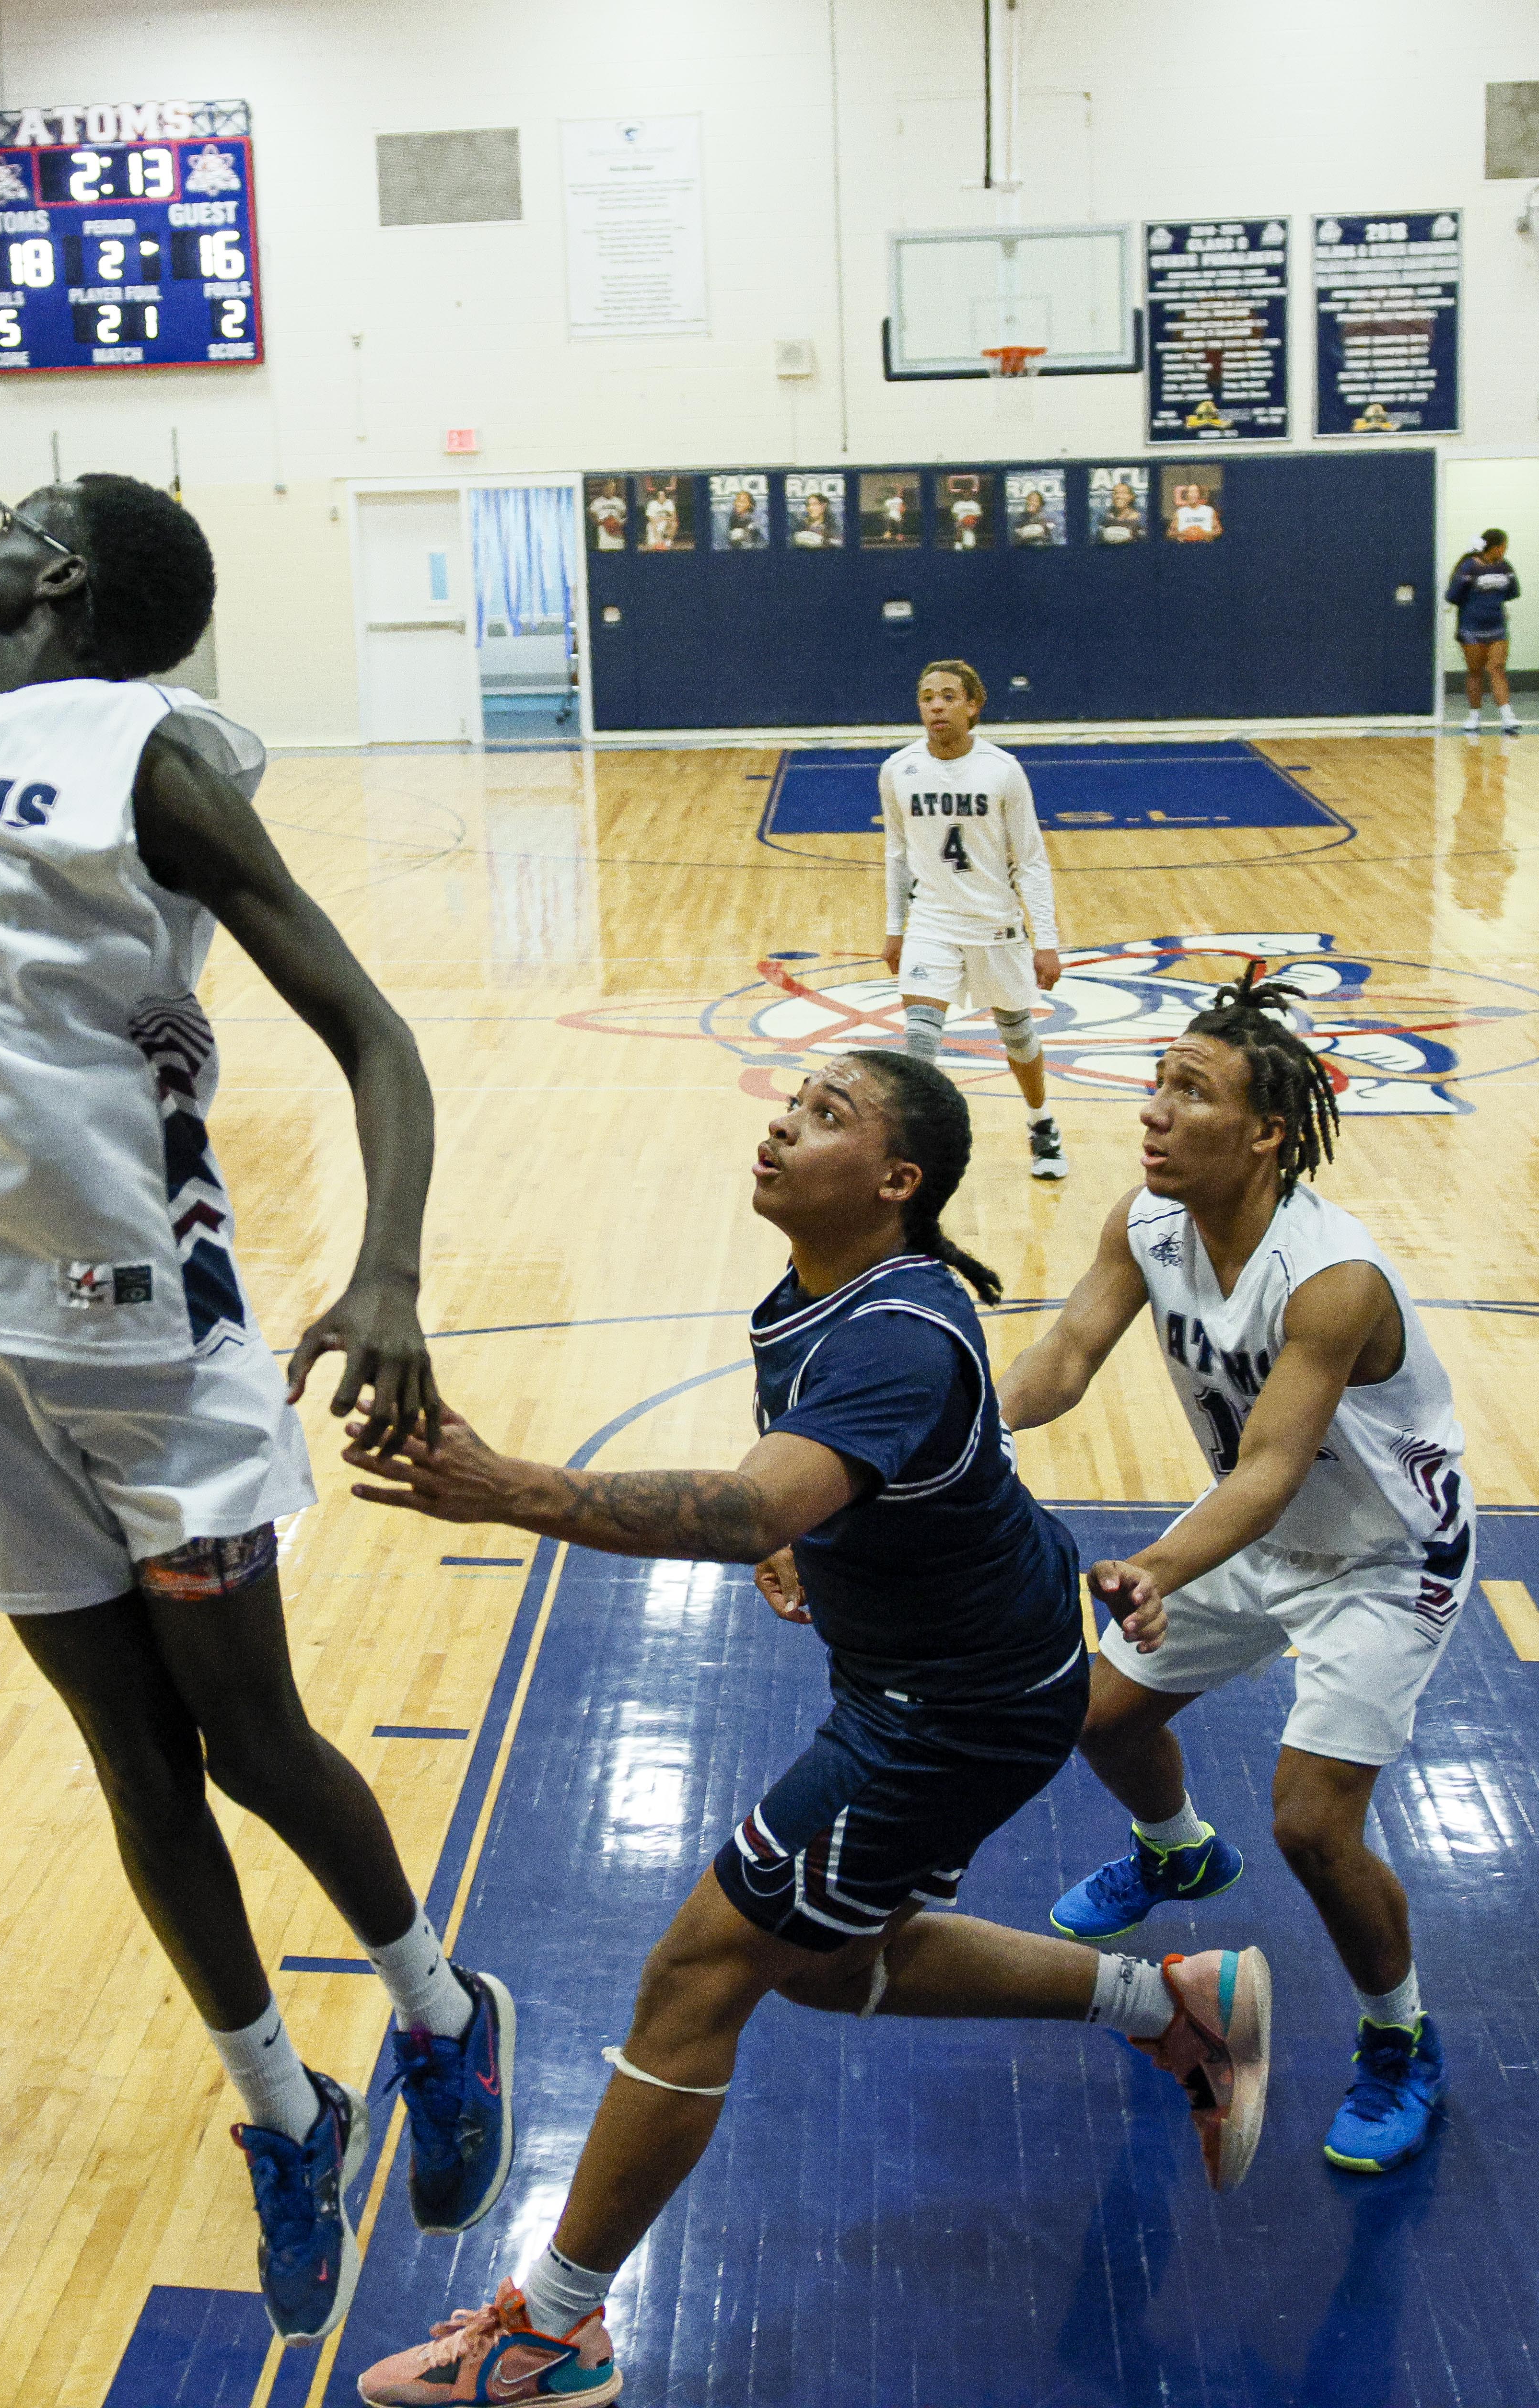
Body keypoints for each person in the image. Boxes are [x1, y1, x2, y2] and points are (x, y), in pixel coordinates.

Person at [0, 227, 516, 2347]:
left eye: (11, 525)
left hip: (149, 1342)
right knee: (131, 1775)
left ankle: (435, 2003)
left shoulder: (155, 758)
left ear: (63, 583)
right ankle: (278, 2110)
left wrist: (391, 1269)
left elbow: (376, 1031)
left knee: (247, 1741)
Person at [344, 1054, 1271, 2408]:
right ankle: (1173, 2001)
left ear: (897, 1180)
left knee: (696, 1972)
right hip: (957, 1670)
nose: (784, 1119)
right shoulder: (827, 1295)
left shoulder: (895, 1328)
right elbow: (829, 1474)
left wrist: (513, 1488)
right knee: (833, 1963)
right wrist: (818, 1532)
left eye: (829, 1113)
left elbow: (738, 1507)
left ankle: (551, 2331)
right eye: (794, 1099)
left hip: (948, 1709)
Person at [998, 966, 1469, 2176]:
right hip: (1257, 1532)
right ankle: (1175, 1849)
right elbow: (1062, 1357)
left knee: (1313, 1824)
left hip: (1382, 1555)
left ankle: (1397, 2040)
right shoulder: (1144, 1222)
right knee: (1098, 1714)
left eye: (1189, 1091)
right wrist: (960, 1426)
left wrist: (1155, 1563)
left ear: (1266, 1131)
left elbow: (1266, 1465)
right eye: (1155, 1081)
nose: (1152, 1108)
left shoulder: (1332, 1276)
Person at [880, 659, 1070, 1179]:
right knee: (919, 1042)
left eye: (947, 696)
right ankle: (911, 1153)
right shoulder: (898, 769)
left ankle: (1041, 1121)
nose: (936, 705)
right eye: (926, 696)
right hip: (931, 925)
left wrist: (1047, 942)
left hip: (995, 924)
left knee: (1017, 1034)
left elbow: (1030, 859)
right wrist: (897, 928)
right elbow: (896, 854)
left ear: (972, 706)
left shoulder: (1002, 770)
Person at [1445, 529, 1517, 736]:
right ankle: (1474, 715)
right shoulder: (1468, 566)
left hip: (1497, 626)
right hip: (1472, 628)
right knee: (1476, 671)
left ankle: (1507, 716)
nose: (1505, 550)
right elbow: (1453, 595)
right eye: (1504, 546)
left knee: (1498, 668)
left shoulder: (1505, 567)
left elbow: (1513, 591)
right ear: (1496, 546)